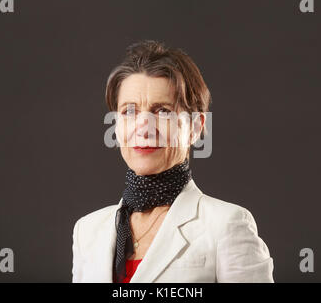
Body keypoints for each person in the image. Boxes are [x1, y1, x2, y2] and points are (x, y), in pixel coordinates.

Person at [72, 40, 274, 283]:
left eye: (163, 111)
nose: (143, 128)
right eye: (129, 111)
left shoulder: (227, 225)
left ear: (196, 127)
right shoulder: (88, 230)